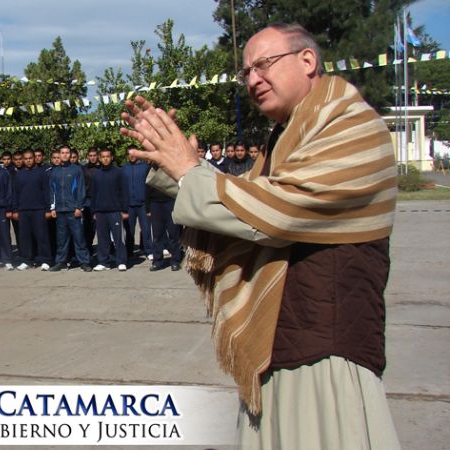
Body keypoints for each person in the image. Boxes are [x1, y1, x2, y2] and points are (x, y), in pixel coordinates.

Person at [121, 23, 399, 448]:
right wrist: (180, 167)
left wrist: (190, 171)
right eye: (245, 72)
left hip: (326, 350)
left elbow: (275, 213)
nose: (252, 79)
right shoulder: (287, 138)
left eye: (264, 64)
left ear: (307, 61)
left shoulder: (352, 125)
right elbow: (245, 200)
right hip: (283, 346)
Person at [47, 146, 91, 272]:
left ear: (70, 155)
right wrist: (53, 208)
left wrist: (79, 207)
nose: (65, 155)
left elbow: (81, 189)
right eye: (62, 153)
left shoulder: (77, 170)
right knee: (61, 238)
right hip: (60, 210)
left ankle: (84, 262)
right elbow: (52, 191)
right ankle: (61, 261)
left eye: (67, 153)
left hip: (73, 210)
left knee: (79, 237)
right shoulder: (54, 172)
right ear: (59, 155)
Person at [11, 149, 51, 271]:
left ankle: (45, 259)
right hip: (23, 210)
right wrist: (15, 210)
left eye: (30, 158)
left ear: (34, 159)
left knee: (41, 236)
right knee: (25, 237)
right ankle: (26, 260)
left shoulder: (42, 173)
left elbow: (46, 191)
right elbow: (15, 194)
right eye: (26, 158)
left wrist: (48, 209)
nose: (28, 160)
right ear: (23, 160)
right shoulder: (19, 175)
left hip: (39, 209)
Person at [90, 148, 128, 271]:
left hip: (115, 210)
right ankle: (103, 262)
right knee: (102, 238)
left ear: (111, 158)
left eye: (108, 156)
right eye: (103, 157)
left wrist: (124, 210)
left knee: (118, 238)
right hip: (100, 212)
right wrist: (94, 211)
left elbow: (124, 191)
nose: (105, 159)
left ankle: (121, 261)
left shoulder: (119, 172)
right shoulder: (96, 174)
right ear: (100, 158)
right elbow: (93, 194)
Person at [122, 148, 152, 259]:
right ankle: (129, 251)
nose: (132, 156)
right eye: (129, 154)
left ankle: (148, 251)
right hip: (129, 205)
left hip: (143, 204)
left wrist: (149, 205)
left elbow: (149, 186)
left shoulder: (145, 167)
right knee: (129, 230)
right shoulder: (124, 169)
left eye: (134, 154)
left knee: (146, 229)